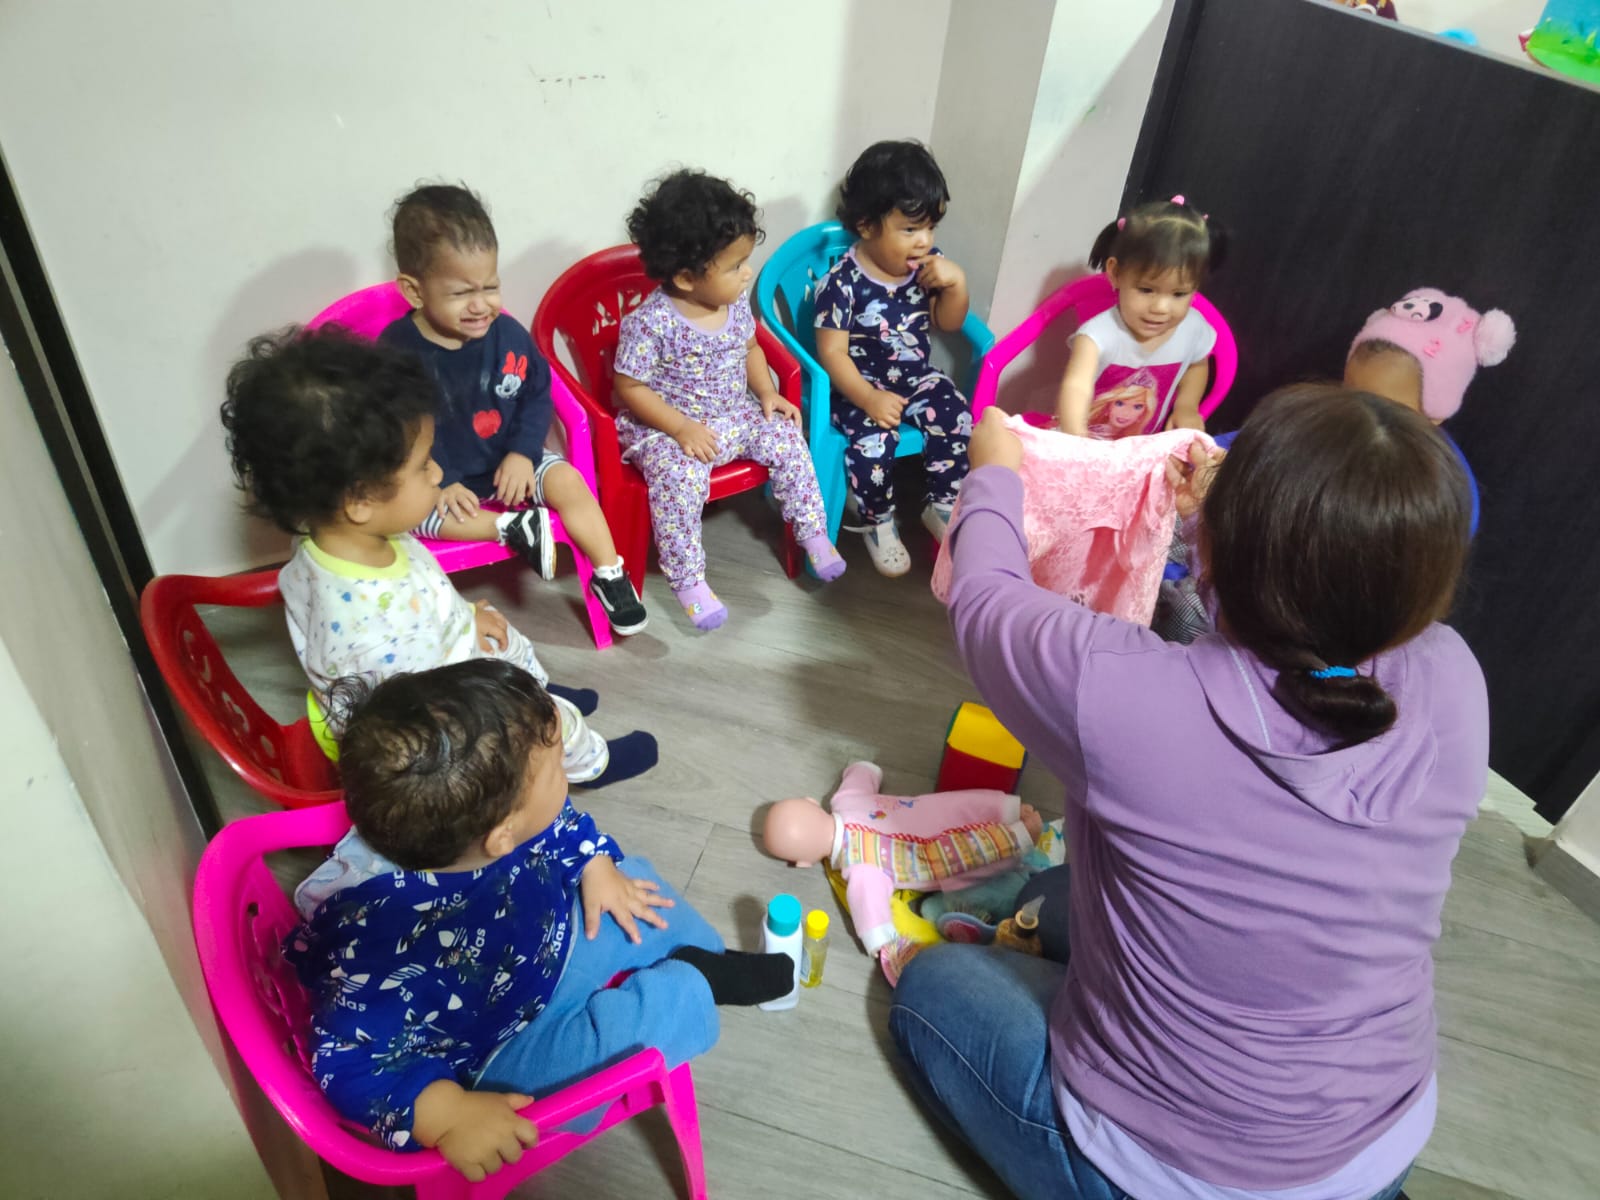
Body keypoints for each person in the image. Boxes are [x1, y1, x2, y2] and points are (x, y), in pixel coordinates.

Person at [892, 389, 1483, 1200]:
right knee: (1056, 900)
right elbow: (1291, 641)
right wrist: (1220, 520)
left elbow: (987, 599)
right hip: (1378, 1145)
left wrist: (993, 476)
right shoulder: (1454, 678)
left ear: (1218, 554)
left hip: (1159, 1171)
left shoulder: (1123, 695)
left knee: (931, 992)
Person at [286, 660, 792, 1181]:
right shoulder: (375, 950)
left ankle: (705, 957)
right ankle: (695, 984)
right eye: (557, 771)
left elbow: (557, 825)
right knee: (620, 1046)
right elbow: (345, 1059)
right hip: (498, 1046)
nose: (566, 774)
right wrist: (447, 1114)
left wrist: (594, 864)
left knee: (633, 882)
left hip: (548, 937)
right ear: (501, 837)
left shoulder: (461, 825)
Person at [220, 325, 656, 786]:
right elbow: (424, 715)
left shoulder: (330, 542)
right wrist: (495, 685)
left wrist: (462, 618)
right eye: (424, 464)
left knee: (503, 634)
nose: (438, 473)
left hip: (438, 658)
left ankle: (535, 685)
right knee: (551, 719)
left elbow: (416, 601)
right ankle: (589, 762)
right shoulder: (368, 634)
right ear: (359, 499)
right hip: (441, 732)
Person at [379, 183, 647, 636]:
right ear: (414, 290)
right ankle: (510, 527)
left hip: (513, 460)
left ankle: (609, 574)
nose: (481, 305)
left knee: (569, 482)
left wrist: (523, 452)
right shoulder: (397, 352)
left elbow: (538, 393)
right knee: (412, 516)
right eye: (461, 293)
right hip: (441, 479)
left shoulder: (507, 334)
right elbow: (394, 429)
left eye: (491, 286)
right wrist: (440, 479)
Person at [612, 169, 843, 630]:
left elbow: (751, 348)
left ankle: (812, 532)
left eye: (745, 261)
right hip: (669, 430)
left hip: (733, 414)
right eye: (736, 266)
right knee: (678, 481)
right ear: (685, 277)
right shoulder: (651, 323)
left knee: (786, 438)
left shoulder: (734, 303)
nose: (747, 273)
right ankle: (688, 581)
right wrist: (680, 427)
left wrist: (767, 393)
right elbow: (630, 387)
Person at [813, 139, 974, 576]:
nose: (924, 241)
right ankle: (877, 520)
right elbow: (832, 354)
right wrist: (868, 398)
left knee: (955, 411)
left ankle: (942, 504)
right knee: (874, 442)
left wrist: (956, 284)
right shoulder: (841, 283)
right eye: (910, 229)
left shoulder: (928, 266)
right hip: (856, 387)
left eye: (931, 227)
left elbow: (948, 323)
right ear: (866, 226)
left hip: (915, 376)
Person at [1055, 196, 1224, 439]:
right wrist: (1075, 436)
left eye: (1179, 294)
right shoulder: (1097, 336)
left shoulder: (1194, 328)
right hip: (1082, 444)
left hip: (1140, 448)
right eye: (1146, 290)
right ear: (1115, 273)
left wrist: (1186, 406)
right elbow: (1077, 386)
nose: (1161, 308)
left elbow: (1197, 364)